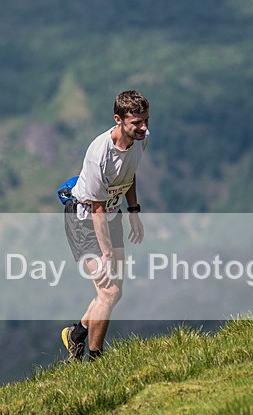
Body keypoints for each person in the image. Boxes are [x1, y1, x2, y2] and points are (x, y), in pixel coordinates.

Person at [61, 90, 150, 362]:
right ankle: (94, 359)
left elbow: (129, 173)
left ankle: (76, 335)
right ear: (118, 120)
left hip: (112, 215)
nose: (144, 127)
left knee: (114, 291)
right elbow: (96, 209)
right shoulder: (99, 153)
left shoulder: (140, 140)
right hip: (85, 220)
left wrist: (134, 211)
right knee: (108, 290)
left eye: (146, 120)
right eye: (136, 122)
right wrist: (107, 253)